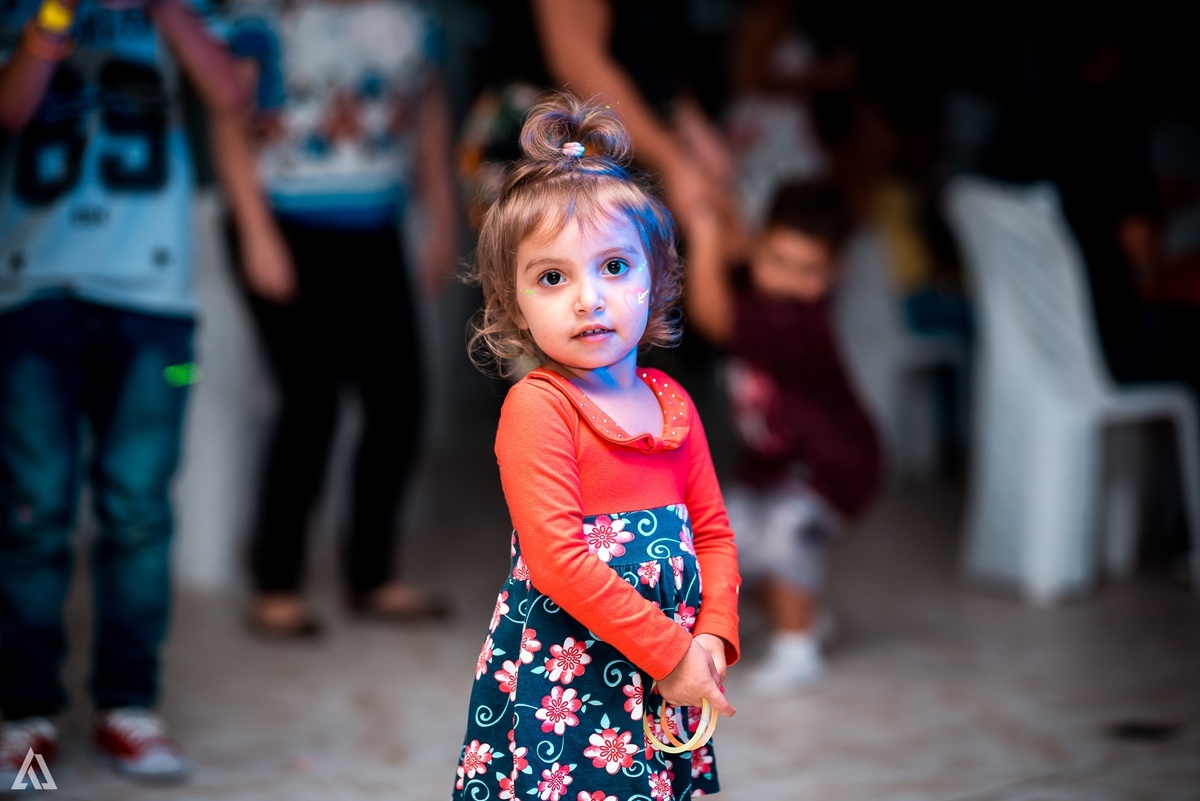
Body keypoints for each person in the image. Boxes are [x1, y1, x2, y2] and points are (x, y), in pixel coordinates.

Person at [450, 91, 741, 801]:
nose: (589, 299)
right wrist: (672, 651)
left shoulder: (673, 405)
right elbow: (556, 560)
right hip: (569, 682)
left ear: (657, 278)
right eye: (554, 277)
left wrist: (712, 639)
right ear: (513, 302)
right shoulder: (539, 406)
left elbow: (714, 533)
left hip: (664, 675)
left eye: (614, 267)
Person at [0, 0, 246, 784]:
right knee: (33, 513)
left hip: (154, 301)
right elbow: (10, 112)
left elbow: (232, 93)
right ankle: (24, 714)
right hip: (32, 289)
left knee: (139, 509)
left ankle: (129, 706)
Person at [210, 0, 459, 637]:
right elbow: (227, 118)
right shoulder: (263, 19)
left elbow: (428, 107)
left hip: (375, 224)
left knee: (399, 398)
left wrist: (439, 210)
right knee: (310, 398)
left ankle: (373, 577)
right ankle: (276, 584)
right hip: (283, 220)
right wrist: (255, 229)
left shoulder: (410, 17)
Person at [683, 176, 883, 692]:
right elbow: (740, 249)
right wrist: (723, 210)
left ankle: (798, 647)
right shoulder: (761, 285)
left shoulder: (798, 321)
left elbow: (713, 316)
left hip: (834, 463)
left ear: (836, 272)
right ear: (758, 248)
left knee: (788, 530)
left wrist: (704, 234)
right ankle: (807, 617)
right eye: (777, 262)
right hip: (775, 462)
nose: (789, 280)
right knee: (730, 538)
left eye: (809, 270)